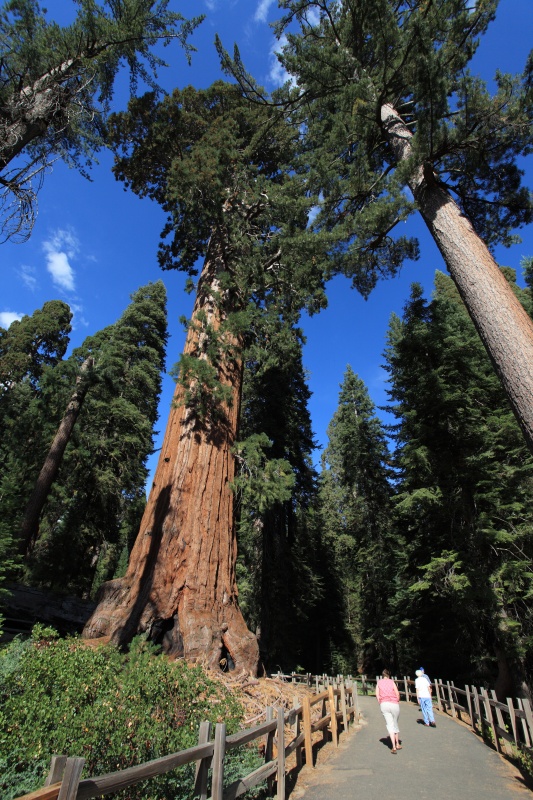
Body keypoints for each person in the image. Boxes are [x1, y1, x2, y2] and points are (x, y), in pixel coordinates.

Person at [376, 668, 402, 753]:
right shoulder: (391, 681)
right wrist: (397, 700)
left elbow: (377, 694)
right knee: (395, 723)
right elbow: (397, 692)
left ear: (382, 675)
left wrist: (380, 702)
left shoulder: (379, 682)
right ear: (388, 675)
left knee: (390, 725)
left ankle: (393, 746)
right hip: (394, 703)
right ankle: (397, 743)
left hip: (384, 704)